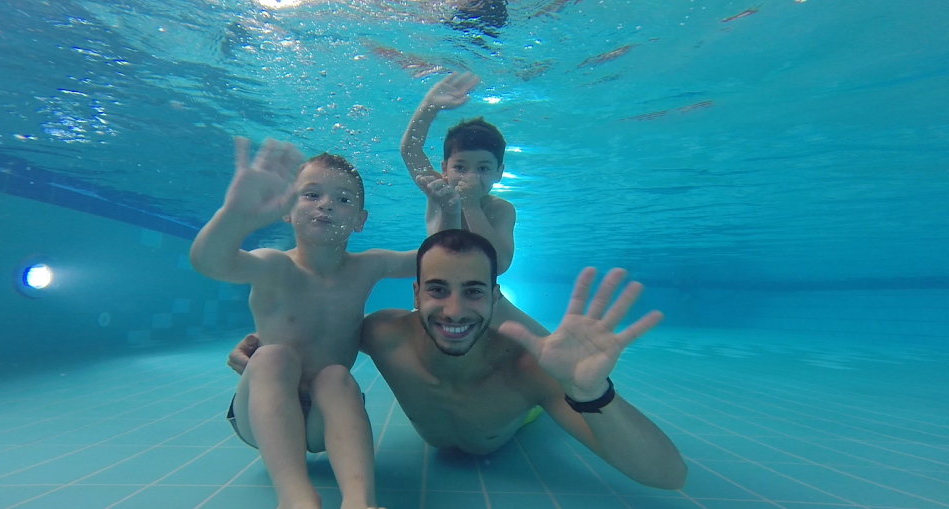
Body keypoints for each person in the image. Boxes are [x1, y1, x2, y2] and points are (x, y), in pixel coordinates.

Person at [229, 230, 689, 490]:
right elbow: (315, 340)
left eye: (473, 291)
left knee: (543, 412)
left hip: (522, 414)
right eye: (437, 289)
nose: (453, 311)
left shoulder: (527, 372)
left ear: (495, 297)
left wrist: (592, 392)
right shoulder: (383, 334)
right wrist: (260, 345)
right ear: (415, 293)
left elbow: (669, 476)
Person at [189, 137, 460, 509]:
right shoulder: (274, 265)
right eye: (311, 194)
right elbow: (209, 262)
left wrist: (448, 210)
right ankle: (296, 498)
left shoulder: (368, 266)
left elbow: (436, 259)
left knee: (336, 376)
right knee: (272, 358)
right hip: (261, 417)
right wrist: (234, 216)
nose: (326, 204)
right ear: (286, 209)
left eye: (343, 199)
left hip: (324, 418)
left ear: (360, 220)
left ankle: (359, 502)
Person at [400, 71, 517, 275]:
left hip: (476, 287)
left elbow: (499, 265)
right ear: (445, 169)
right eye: (460, 167)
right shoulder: (437, 191)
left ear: (499, 173)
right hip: (438, 282)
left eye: (483, 168)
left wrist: (471, 206)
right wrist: (429, 106)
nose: (470, 176)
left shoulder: (501, 210)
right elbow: (410, 151)